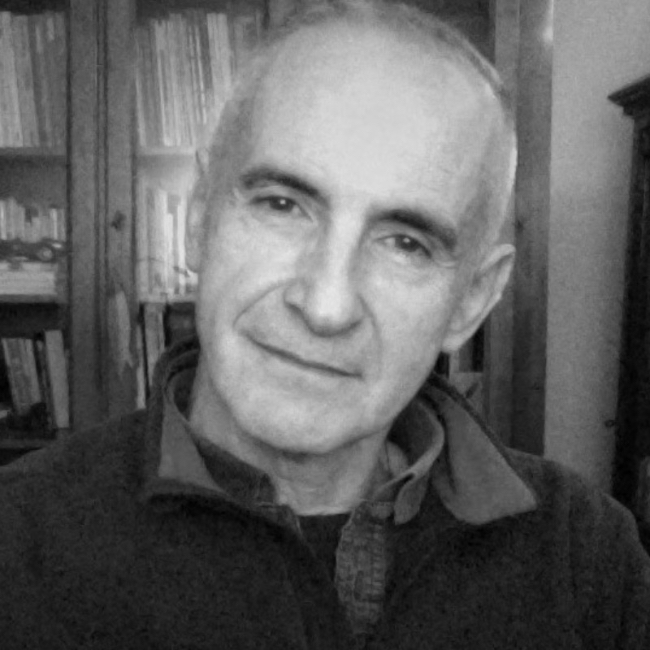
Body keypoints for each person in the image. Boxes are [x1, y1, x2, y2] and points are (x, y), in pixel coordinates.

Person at [1, 1, 649, 648]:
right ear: (200, 220)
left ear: (471, 302)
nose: (325, 306)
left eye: (406, 244)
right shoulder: (17, 541)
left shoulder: (588, 560)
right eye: (282, 205)